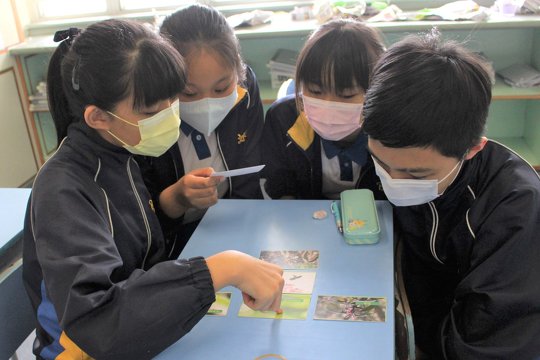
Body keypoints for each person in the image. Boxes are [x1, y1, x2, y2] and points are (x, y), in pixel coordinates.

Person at [23, 19, 283, 360]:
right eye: (151, 111)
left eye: (172, 101)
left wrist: (174, 205)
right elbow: (98, 322)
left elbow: (142, 249)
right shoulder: (63, 189)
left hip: (142, 327)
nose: (170, 117)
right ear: (98, 117)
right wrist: (220, 269)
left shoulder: (120, 151)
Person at [362, 29, 540, 359]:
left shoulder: (514, 207)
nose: (391, 180)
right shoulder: (390, 143)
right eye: (380, 163)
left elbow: (494, 340)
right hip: (411, 311)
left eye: (415, 174)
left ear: (472, 149)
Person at [137, 4, 265, 253]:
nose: (207, 103)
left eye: (221, 89)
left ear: (237, 72)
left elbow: (248, 181)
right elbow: (141, 222)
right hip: (171, 244)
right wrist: (176, 198)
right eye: (189, 92)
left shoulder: (245, 90)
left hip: (236, 227)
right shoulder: (147, 119)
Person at [262, 19, 386, 200]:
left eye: (346, 95)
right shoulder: (283, 119)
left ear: (374, 90)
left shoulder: (390, 127)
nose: (327, 104)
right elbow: (278, 185)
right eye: (315, 91)